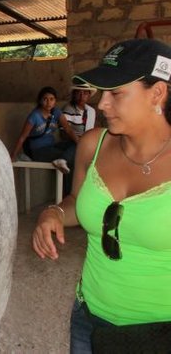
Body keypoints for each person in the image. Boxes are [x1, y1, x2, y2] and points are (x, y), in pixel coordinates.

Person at [31, 38, 171, 353]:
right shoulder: (93, 145)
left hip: (161, 333)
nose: (102, 104)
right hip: (89, 320)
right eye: (102, 93)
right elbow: (78, 205)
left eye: (116, 93)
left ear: (157, 93)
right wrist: (53, 213)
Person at [11, 85, 79, 193]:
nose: (48, 102)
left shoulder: (56, 112)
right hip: (38, 151)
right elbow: (22, 137)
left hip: (52, 146)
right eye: (45, 99)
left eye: (51, 99)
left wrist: (80, 144)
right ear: (40, 101)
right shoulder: (34, 116)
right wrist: (13, 156)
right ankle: (66, 196)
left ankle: (63, 159)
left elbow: (68, 129)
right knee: (70, 161)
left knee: (75, 146)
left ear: (55, 101)